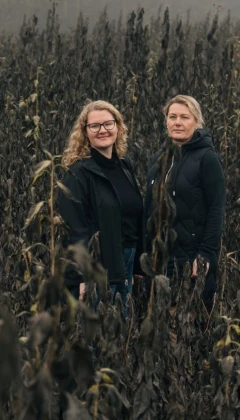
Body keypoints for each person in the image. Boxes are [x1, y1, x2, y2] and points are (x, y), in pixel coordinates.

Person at [57, 100, 145, 321]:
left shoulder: (124, 166)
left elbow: (133, 217)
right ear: (85, 132)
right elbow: (74, 228)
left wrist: (136, 265)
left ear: (118, 127)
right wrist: (81, 275)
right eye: (94, 126)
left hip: (126, 260)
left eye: (108, 123)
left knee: (122, 327)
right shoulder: (78, 173)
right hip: (99, 265)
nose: (102, 130)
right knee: (99, 331)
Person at [141, 95, 226, 311]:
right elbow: (148, 207)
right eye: (172, 117)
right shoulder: (159, 158)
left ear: (196, 122)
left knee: (185, 319)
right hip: (159, 260)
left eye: (184, 117)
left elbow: (216, 209)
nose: (177, 122)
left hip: (190, 260)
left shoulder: (207, 158)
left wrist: (205, 255)